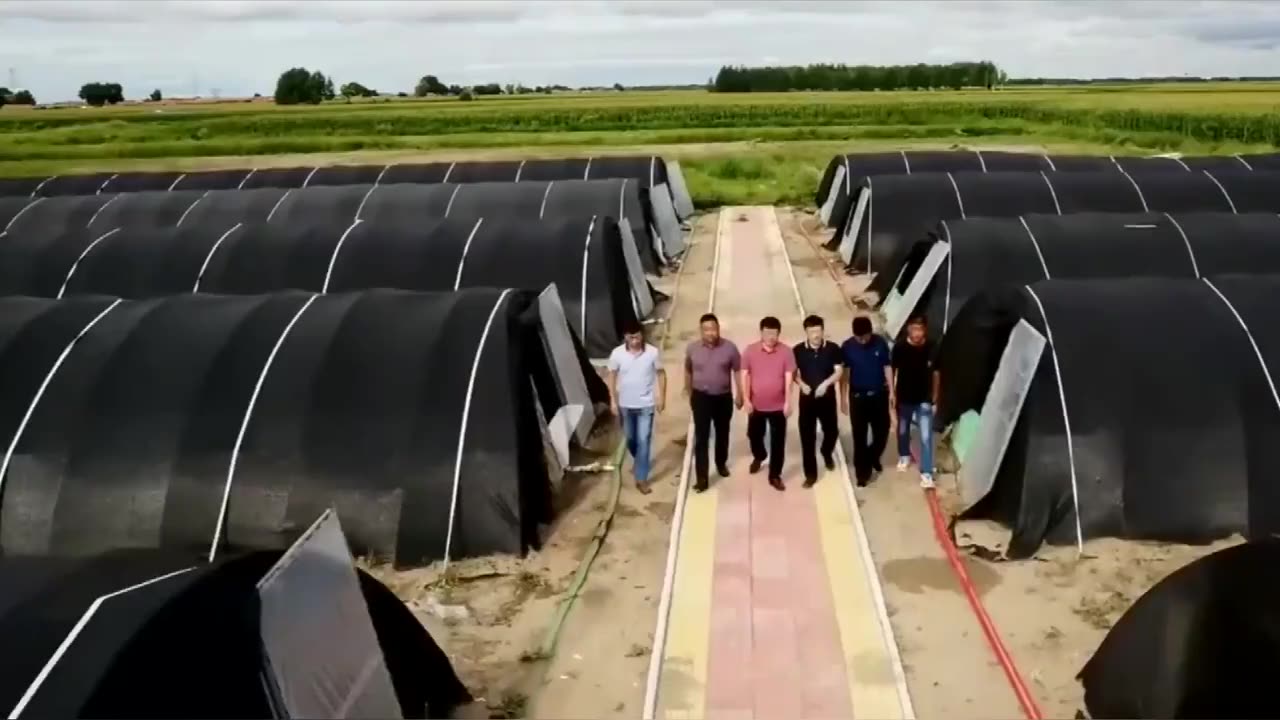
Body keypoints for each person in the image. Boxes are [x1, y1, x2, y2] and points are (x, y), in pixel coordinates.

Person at [684, 313, 742, 493]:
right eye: (706, 330)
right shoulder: (692, 349)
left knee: (722, 432)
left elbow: (738, 371)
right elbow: (688, 370)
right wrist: (689, 392)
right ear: (701, 331)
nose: (710, 333)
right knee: (701, 438)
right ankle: (702, 479)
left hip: (723, 397)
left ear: (718, 329)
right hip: (701, 398)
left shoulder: (730, 348)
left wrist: (740, 393)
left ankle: (721, 463)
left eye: (713, 329)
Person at [608, 319, 667, 494]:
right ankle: (639, 461)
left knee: (644, 440)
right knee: (631, 439)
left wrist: (662, 397)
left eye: (638, 336)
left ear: (642, 335)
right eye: (631, 337)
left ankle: (641, 478)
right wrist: (613, 400)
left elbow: (661, 374)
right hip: (625, 405)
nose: (635, 341)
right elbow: (611, 376)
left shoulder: (652, 353)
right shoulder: (617, 354)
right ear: (625, 337)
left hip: (645, 405)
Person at [742, 316, 796, 491]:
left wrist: (788, 401)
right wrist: (746, 399)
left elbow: (789, 377)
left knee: (778, 442)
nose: (771, 337)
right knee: (753, 434)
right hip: (756, 405)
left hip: (778, 407)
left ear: (779, 334)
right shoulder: (750, 351)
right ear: (761, 333)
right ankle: (760, 455)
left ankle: (775, 475)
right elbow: (745, 375)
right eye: (767, 333)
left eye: (774, 333)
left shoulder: (787, 352)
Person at [839, 315, 893, 486]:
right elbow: (845, 375)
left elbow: (887, 367)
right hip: (858, 398)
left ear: (870, 332)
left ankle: (872, 458)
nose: (862, 340)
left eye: (865, 336)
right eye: (858, 337)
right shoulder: (847, 347)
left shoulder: (880, 343)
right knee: (859, 437)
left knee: (882, 433)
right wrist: (842, 398)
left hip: (879, 396)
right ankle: (862, 474)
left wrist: (892, 391)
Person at [793, 314, 843, 488]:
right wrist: (801, 384)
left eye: (818, 331)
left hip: (827, 399)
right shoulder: (797, 350)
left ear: (823, 331)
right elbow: (793, 373)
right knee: (807, 439)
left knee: (832, 432)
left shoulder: (833, 349)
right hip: (807, 401)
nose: (815, 335)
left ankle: (826, 452)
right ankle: (811, 475)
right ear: (806, 332)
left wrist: (826, 384)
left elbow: (838, 371)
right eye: (811, 331)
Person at [893, 316, 941, 489]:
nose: (917, 333)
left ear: (925, 330)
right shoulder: (900, 348)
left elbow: (936, 373)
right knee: (903, 429)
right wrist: (892, 393)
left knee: (926, 436)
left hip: (924, 398)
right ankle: (904, 454)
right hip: (904, 397)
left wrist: (935, 397)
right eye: (914, 329)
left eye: (920, 329)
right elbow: (892, 370)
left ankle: (926, 472)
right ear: (908, 329)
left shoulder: (932, 347)